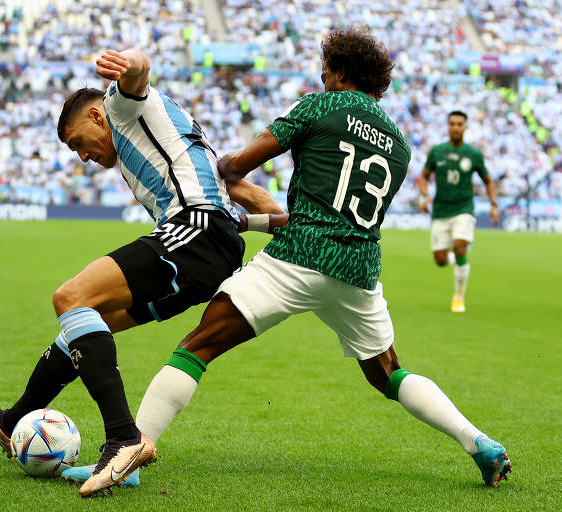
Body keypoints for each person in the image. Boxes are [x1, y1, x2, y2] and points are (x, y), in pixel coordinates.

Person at [129, 26, 512, 489]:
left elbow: (234, 168)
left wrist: (214, 180)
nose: (323, 78)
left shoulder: (320, 105)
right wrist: (251, 223)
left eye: (326, 71)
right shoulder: (400, 144)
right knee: (390, 374)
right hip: (359, 271)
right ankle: (480, 443)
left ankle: (130, 453)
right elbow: (338, 217)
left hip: (298, 258)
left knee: (197, 347)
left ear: (343, 72)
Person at [0, 47, 286, 497]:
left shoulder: (120, 107)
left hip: (194, 230)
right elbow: (244, 195)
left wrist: (129, 63)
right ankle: (12, 420)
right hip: (210, 248)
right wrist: (274, 218)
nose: (82, 157)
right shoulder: (164, 137)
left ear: (96, 115)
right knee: (86, 327)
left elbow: (139, 71)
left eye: (77, 143)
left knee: (70, 298)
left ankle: (124, 438)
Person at [417, 111, 499, 312]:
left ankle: (458, 298)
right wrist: (424, 195)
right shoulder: (437, 151)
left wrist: (493, 204)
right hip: (441, 210)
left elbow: (488, 180)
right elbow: (424, 176)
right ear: (448, 126)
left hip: (464, 208)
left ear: (465, 127)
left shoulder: (474, 154)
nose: (455, 127)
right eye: (452, 123)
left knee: (459, 246)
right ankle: (457, 262)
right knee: (440, 259)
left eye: (459, 124)